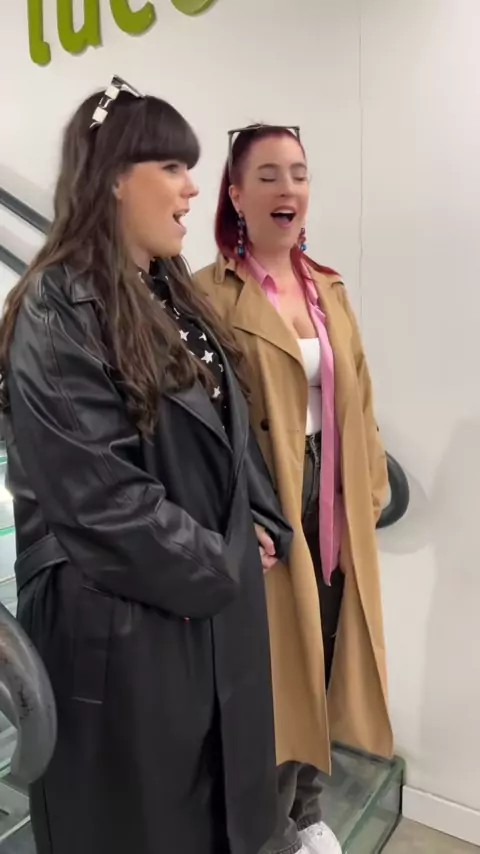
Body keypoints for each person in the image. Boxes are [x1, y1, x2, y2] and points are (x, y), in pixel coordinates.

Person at [0, 86, 293, 854]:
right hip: (120, 628)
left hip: (194, 603)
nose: (194, 187)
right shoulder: (54, 311)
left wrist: (256, 515)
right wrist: (225, 561)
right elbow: (102, 501)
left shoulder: (170, 292)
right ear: (111, 178)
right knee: (145, 824)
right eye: (171, 166)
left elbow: (229, 424)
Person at [194, 124, 394, 854]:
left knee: (327, 656)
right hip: (263, 503)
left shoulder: (327, 288)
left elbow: (360, 398)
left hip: (331, 498)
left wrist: (367, 494)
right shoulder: (208, 293)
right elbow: (196, 421)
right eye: (269, 175)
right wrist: (229, 516)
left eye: (299, 173)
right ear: (236, 194)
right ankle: (268, 829)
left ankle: (307, 810)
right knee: (275, 673)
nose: (289, 188)